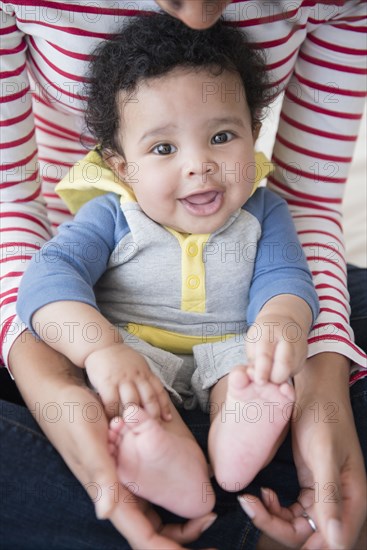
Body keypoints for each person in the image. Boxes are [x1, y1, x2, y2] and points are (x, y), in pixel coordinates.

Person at [0, 1, 366, 548]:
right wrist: (98, 350)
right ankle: (167, 460)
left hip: (230, 351)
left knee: (258, 374)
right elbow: (47, 278)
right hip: (132, 351)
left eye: (222, 137)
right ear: (121, 166)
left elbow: (287, 273)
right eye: (164, 148)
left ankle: (241, 433)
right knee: (131, 399)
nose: (199, 163)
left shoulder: (265, 211)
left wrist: (283, 321)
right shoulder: (110, 213)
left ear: (253, 129)